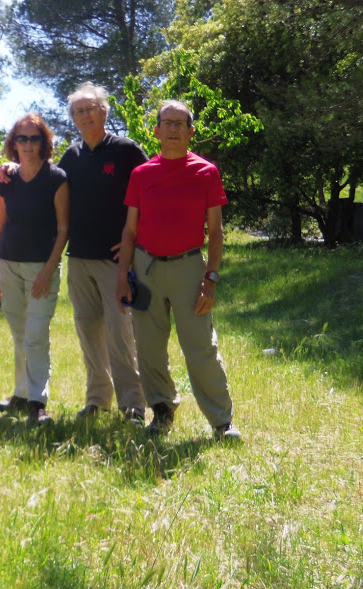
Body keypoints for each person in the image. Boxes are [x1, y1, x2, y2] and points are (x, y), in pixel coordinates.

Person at [0, 82, 147, 424]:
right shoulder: (72, 157)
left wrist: (133, 243)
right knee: (88, 330)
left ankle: (132, 405)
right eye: (78, 111)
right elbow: (36, 174)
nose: (84, 115)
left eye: (90, 108)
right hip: (79, 257)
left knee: (119, 332)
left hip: (115, 260)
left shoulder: (126, 151)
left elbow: (150, 195)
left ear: (104, 111)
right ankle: (97, 399)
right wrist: (5, 169)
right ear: (73, 118)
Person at [116, 99, 241, 440]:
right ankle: (162, 410)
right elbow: (129, 230)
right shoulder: (141, 175)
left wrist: (210, 279)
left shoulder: (206, 172)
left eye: (179, 124)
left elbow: (215, 231)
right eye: (166, 123)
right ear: (156, 131)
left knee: (200, 346)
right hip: (146, 268)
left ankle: (221, 421)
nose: (172, 129)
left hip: (189, 267)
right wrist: (122, 277)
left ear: (190, 132)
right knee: (149, 347)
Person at [0, 113, 70, 425]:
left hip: (42, 267)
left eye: (33, 138)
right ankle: (21, 393)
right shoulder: (7, 179)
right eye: (21, 138)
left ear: (43, 142)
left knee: (36, 335)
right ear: (13, 143)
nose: (26, 144)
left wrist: (47, 271)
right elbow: (1, 224)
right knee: (19, 334)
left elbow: (63, 229)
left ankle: (38, 401)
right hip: (8, 264)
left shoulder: (56, 178)